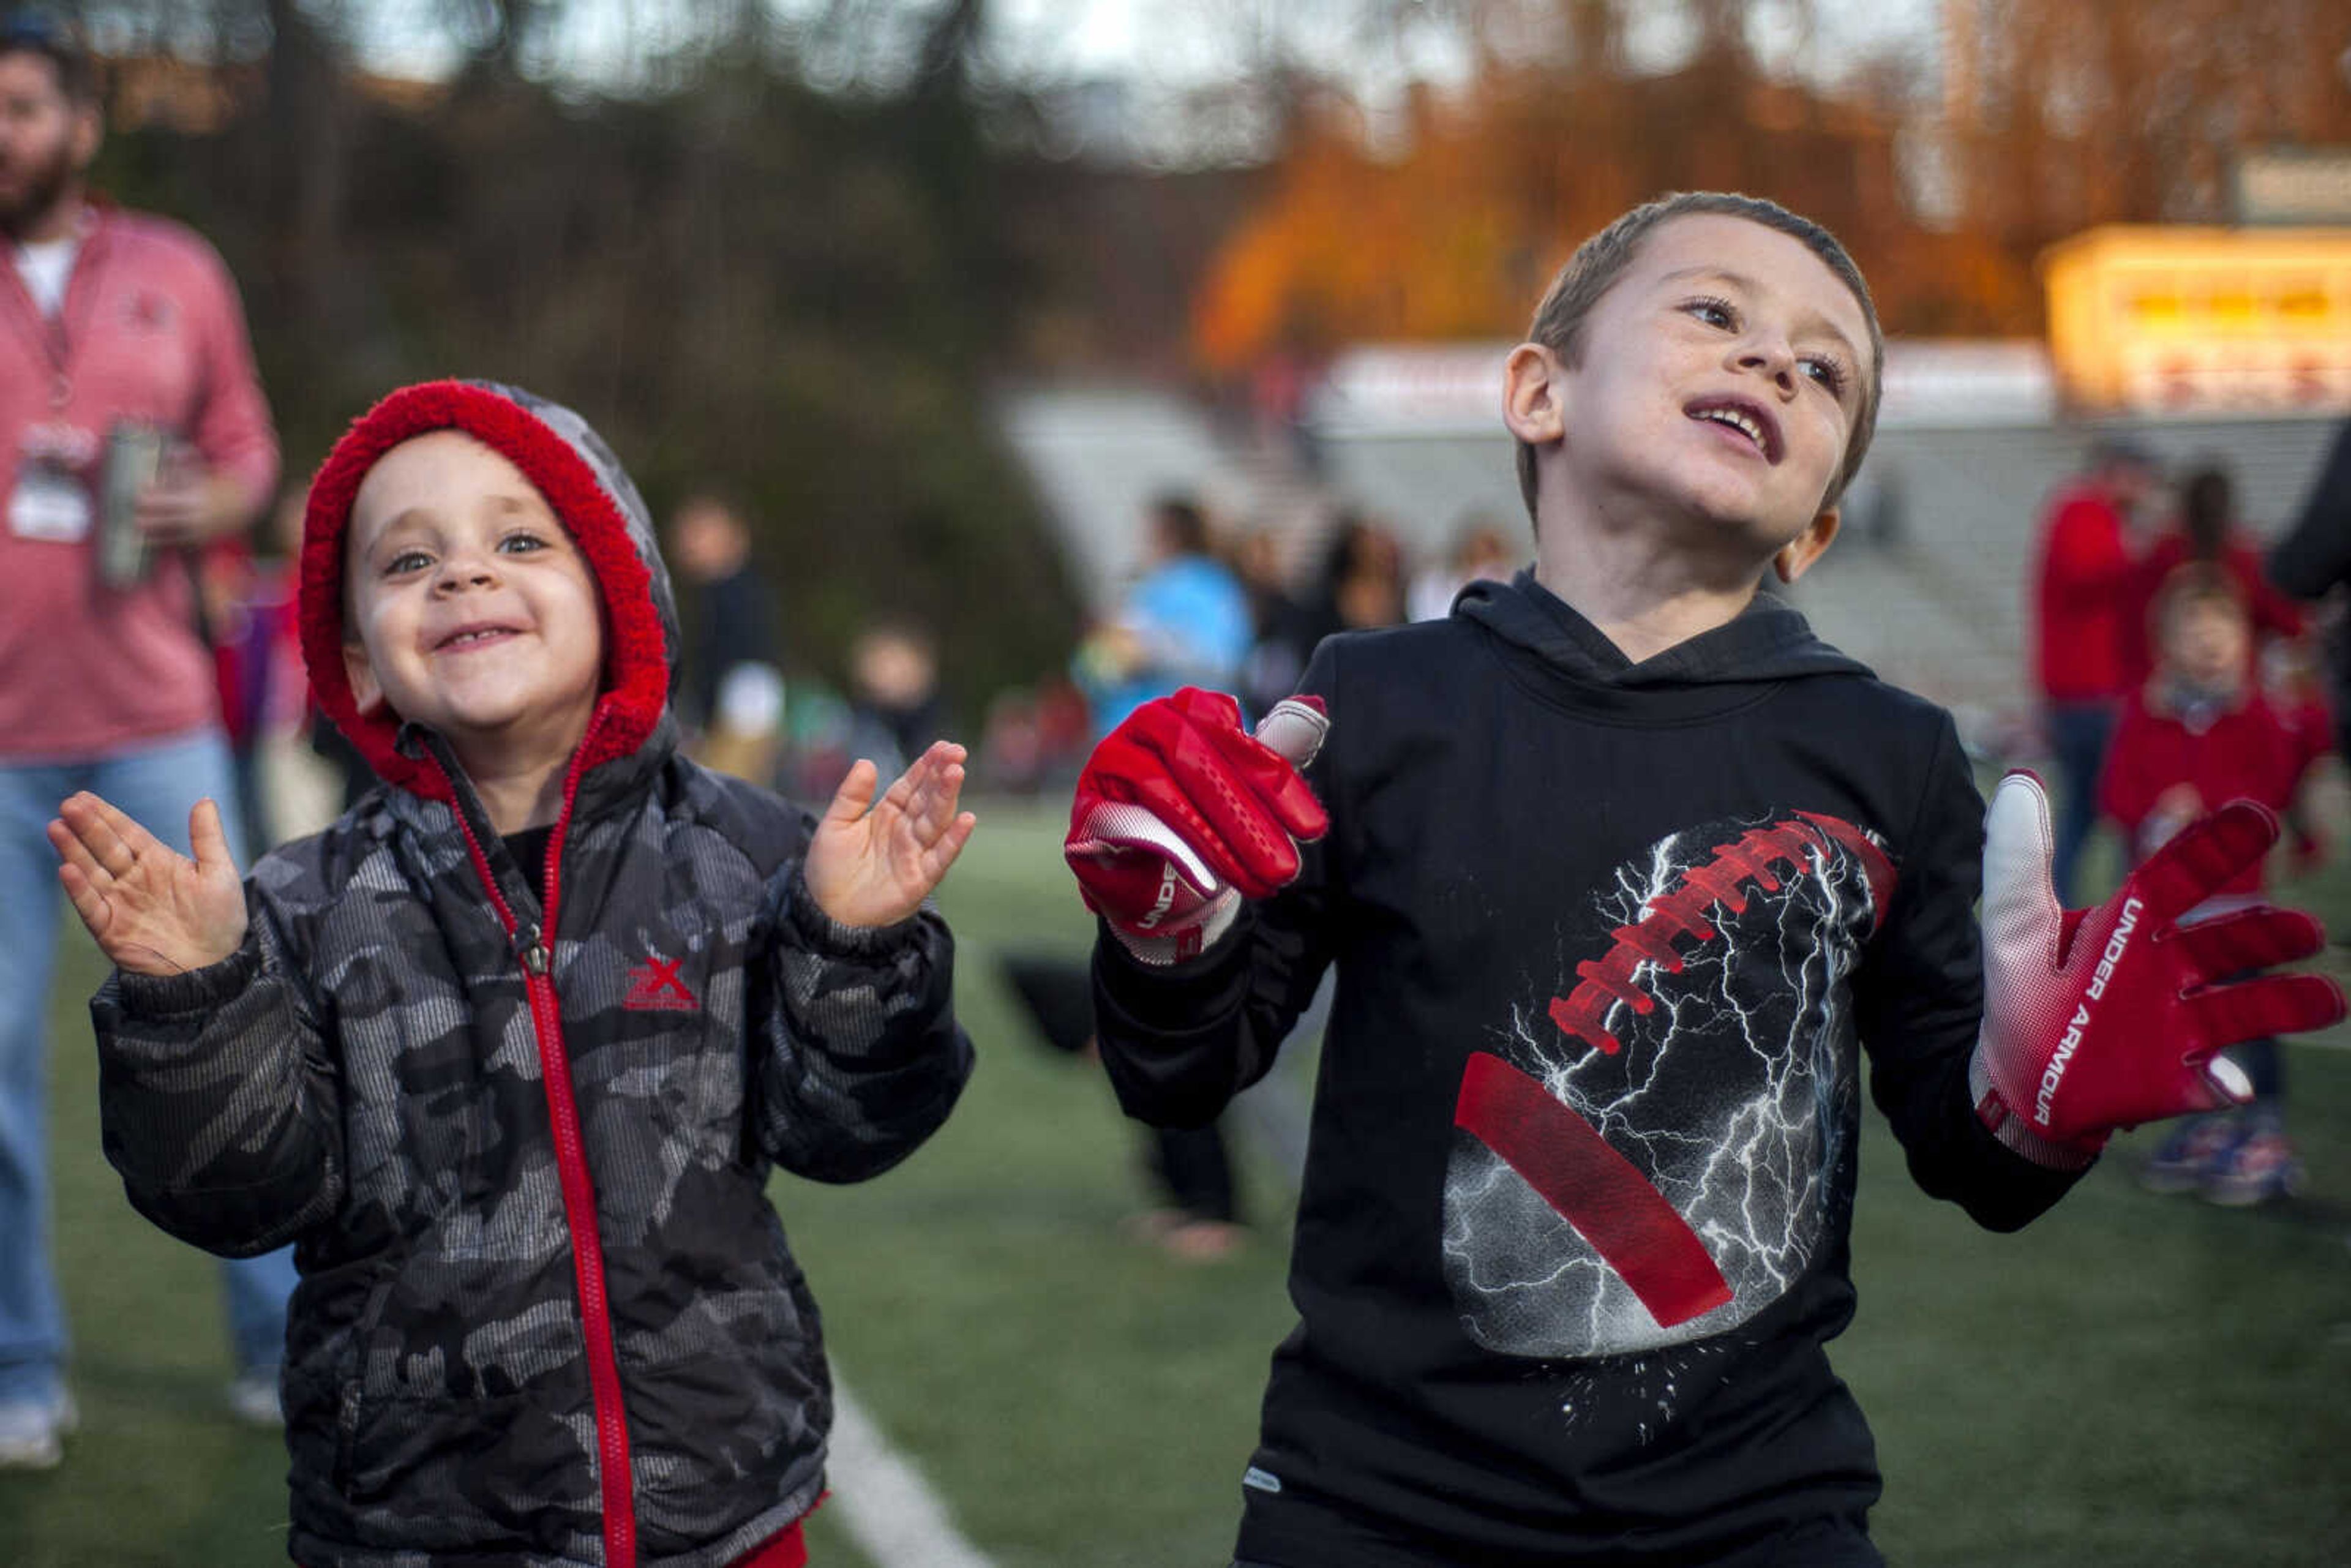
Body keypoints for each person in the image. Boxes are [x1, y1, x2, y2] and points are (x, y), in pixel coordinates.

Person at [1060, 192, 2343, 1567]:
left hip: (1758, 1515)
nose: (1776, 361)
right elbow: (1182, 1070)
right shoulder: (1373, 701)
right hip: (1374, 1503)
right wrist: (1171, 944)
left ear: (1819, 527)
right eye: (1715, 311)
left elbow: (1972, 1156)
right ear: (1540, 392)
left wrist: (2033, 1109)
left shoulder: (1891, 756)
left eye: (1826, 366)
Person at [48, 380, 977, 1567]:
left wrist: (856, 944)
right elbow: (238, 1199)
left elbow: (849, 1131)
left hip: (724, 1506)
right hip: (411, 1521)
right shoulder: (299, 905)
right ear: (355, 659)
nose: (464, 574)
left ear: (621, 590)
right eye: (408, 559)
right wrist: (196, 1002)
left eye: (520, 539)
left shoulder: (748, 853)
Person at [0, 11, 293, 1465]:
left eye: (20, 106)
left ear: (79, 123)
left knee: (234, 1025)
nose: (1, 133)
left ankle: (279, 1342)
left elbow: (250, 450)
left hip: (160, 719)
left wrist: (216, 503)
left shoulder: (178, 271)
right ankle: (17, 1369)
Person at [2102, 566, 2323, 1205]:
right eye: (2192, 631)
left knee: (2248, 1014)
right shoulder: (2146, 713)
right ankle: (2206, 1122)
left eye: (2220, 630)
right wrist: (2152, 812)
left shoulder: (2258, 715)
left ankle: (2265, 1130)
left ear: (2243, 639)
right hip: (2173, 909)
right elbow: (2117, 791)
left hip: (2237, 901)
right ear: (2167, 642)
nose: (2207, 643)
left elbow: (2273, 789)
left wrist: (2214, 810)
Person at [2030, 435, 2162, 903]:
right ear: (2116, 470)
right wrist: (2137, 550)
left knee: (2091, 810)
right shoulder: (2084, 510)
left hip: (2091, 690)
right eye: (2141, 478)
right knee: (2110, 807)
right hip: (2088, 691)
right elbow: (2089, 572)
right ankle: (2112, 907)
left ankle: (2088, 905)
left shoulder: (2092, 514)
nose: (2147, 489)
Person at [1073, 493, 1253, 737]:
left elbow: (1224, 659)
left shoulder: (1208, 584)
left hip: (1191, 741)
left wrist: (1149, 651)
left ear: (1172, 534)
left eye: (1152, 533)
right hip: (1136, 741)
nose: (1144, 543)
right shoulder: (1141, 590)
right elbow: (1094, 670)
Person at [668, 490, 786, 784]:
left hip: (742, 702)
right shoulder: (715, 596)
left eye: (702, 535)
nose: (691, 546)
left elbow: (735, 665)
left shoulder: (738, 595)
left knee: (730, 787)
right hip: (733, 703)